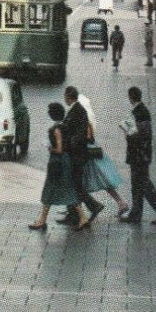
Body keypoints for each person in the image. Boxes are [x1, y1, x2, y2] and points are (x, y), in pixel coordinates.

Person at [121, 86, 156, 224]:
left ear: (130, 96)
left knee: (143, 185)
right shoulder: (140, 110)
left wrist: (127, 133)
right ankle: (136, 214)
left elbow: (141, 134)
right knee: (138, 185)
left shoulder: (141, 112)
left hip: (139, 156)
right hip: (140, 155)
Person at [77, 93, 129, 218]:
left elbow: (89, 136)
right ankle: (120, 202)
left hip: (89, 155)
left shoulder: (86, 120)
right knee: (100, 180)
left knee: (97, 180)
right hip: (90, 154)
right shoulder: (85, 118)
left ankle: (120, 202)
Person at [59, 87, 103, 228]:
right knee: (73, 184)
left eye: (65, 96)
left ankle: (93, 206)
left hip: (77, 155)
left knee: (76, 185)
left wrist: (68, 143)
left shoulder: (78, 111)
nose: (64, 99)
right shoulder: (75, 110)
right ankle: (73, 214)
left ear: (69, 96)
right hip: (75, 154)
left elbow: (79, 133)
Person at [29, 103, 78, 231]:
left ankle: (42, 220)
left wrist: (50, 148)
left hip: (58, 162)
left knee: (51, 189)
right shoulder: (66, 126)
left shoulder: (56, 129)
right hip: (65, 161)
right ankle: (43, 219)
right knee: (66, 189)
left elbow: (59, 149)